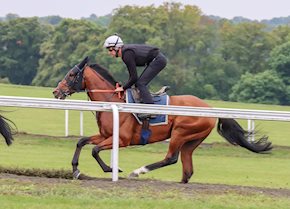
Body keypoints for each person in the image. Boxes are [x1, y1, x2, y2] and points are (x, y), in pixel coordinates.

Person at [103, 34, 167, 119]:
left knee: (140, 83)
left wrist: (123, 88)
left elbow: (134, 77)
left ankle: (151, 110)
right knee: (138, 84)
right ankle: (146, 102)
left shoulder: (127, 54)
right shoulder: (126, 53)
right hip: (155, 59)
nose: (109, 53)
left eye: (110, 50)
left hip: (158, 60)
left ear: (116, 47)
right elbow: (132, 77)